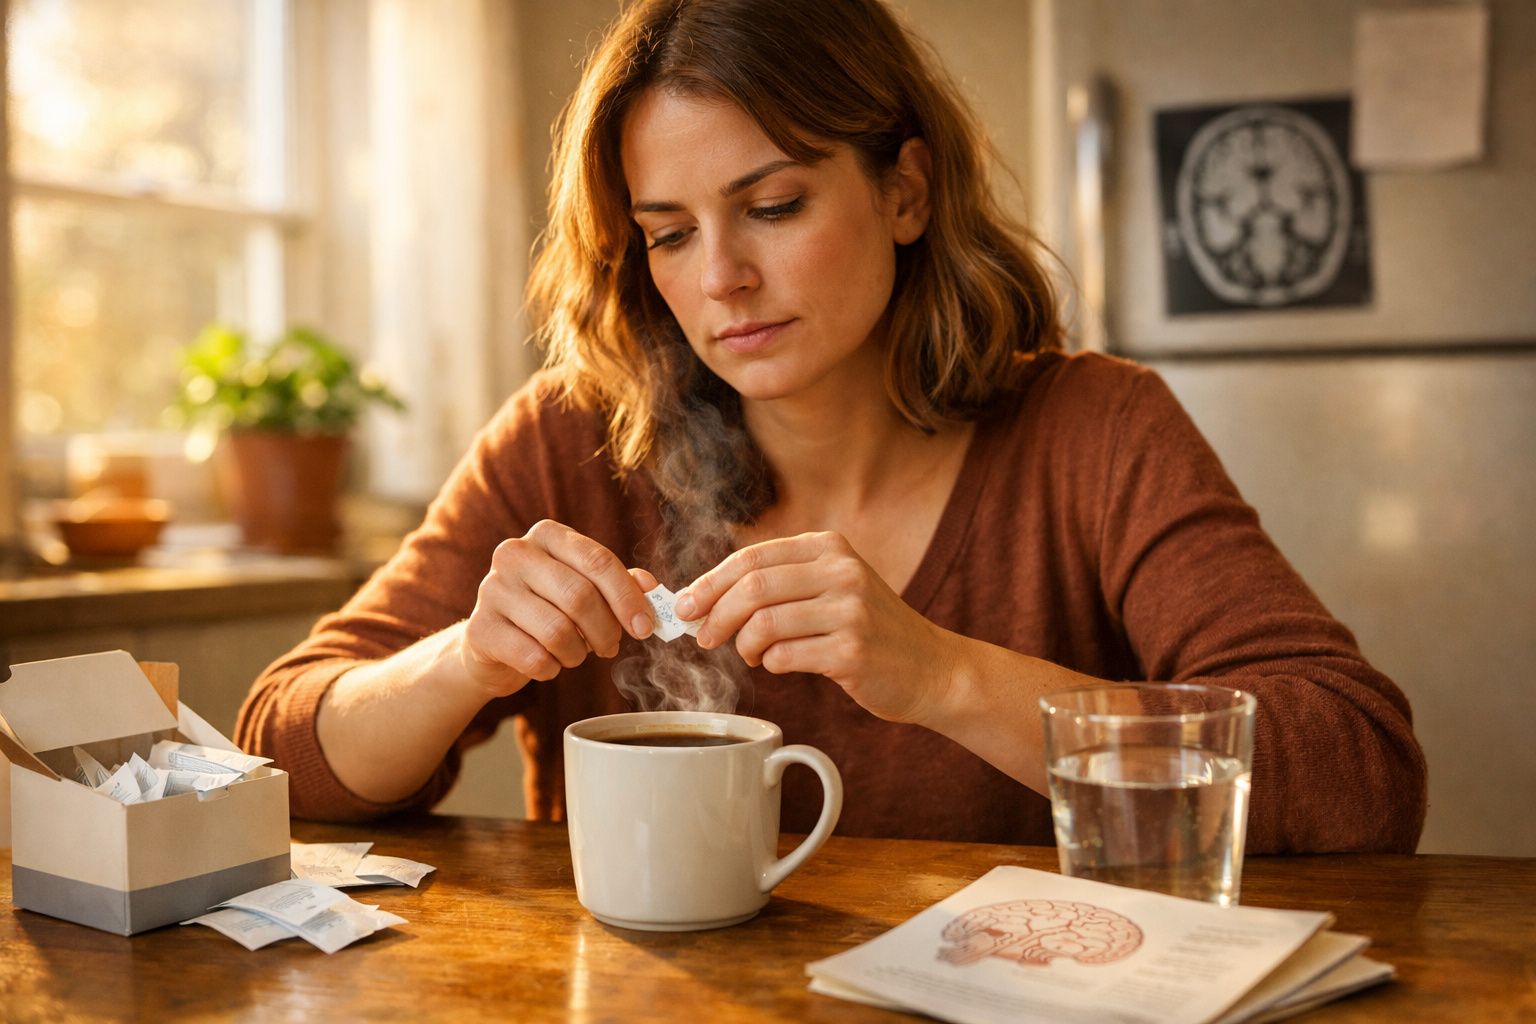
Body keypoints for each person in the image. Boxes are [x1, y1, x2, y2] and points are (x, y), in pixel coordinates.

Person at [235, 0, 1426, 852]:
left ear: (905, 190)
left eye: (773, 206)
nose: (722, 278)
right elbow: (276, 754)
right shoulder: (570, 440)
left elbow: (1359, 768)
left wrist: (946, 673)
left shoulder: (1094, 432)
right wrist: (463, 661)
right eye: (669, 233)